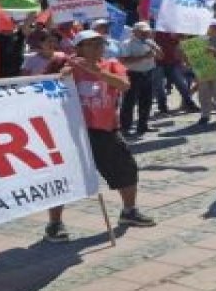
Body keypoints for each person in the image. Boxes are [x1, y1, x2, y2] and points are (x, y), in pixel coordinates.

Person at [44, 30, 155, 241]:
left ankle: (129, 211)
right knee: (63, 178)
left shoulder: (111, 64)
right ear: (79, 48)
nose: (98, 48)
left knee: (126, 169)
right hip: (73, 132)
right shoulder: (66, 65)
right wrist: (61, 76)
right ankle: (55, 223)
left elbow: (123, 85)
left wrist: (98, 72)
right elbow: (46, 88)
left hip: (105, 130)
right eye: (92, 44)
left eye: (100, 44)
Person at [119, 22, 161, 134]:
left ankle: (143, 125)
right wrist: (144, 57)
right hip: (133, 74)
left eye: (147, 32)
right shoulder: (127, 44)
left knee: (146, 101)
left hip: (148, 73)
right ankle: (125, 128)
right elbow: (124, 61)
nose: (145, 34)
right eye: (142, 32)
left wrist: (156, 49)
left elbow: (161, 56)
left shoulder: (150, 42)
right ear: (134, 32)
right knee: (129, 102)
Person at [152, 30, 200, 114]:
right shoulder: (156, 32)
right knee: (159, 87)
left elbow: (182, 45)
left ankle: (189, 104)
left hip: (173, 63)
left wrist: (184, 60)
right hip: (157, 63)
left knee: (182, 84)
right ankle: (162, 107)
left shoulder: (176, 31)